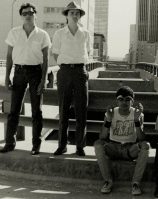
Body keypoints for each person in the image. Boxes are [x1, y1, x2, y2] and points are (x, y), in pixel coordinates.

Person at [0, 3, 51, 155]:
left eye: (30, 12)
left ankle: (36, 145)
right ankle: (9, 143)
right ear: (21, 16)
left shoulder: (43, 34)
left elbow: (46, 60)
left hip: (36, 72)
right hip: (19, 72)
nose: (28, 15)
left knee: (37, 111)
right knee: (14, 109)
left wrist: (43, 80)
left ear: (35, 14)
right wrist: (8, 76)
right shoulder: (14, 33)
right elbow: (9, 56)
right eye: (25, 13)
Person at [52, 1, 92, 156]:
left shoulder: (86, 33)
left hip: (80, 72)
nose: (75, 15)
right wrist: (66, 65)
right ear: (66, 16)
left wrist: (79, 68)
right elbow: (56, 53)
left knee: (82, 109)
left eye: (77, 13)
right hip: (65, 72)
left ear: (80, 16)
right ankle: (62, 145)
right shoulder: (59, 33)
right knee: (63, 109)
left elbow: (88, 52)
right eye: (71, 13)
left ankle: (80, 146)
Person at [94, 86, 150, 196]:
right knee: (98, 144)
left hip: (130, 150)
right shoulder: (111, 113)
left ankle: (136, 183)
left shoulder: (138, 114)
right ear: (117, 101)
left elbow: (141, 138)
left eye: (128, 99)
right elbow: (102, 137)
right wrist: (109, 120)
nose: (124, 102)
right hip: (113, 148)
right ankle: (108, 181)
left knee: (146, 145)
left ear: (132, 101)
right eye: (121, 99)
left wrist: (136, 121)